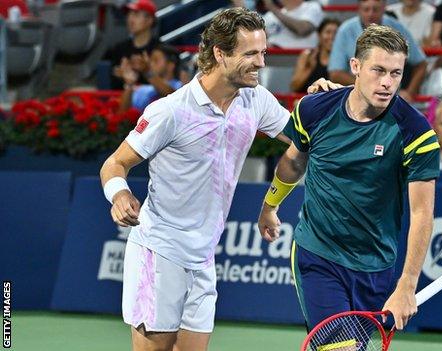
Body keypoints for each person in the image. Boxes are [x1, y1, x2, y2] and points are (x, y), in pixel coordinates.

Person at [99, 8, 339, 351]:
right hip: (160, 250)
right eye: (250, 54)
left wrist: (321, 103)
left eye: (263, 53)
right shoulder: (171, 111)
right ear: (220, 53)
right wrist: (120, 195)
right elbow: (115, 163)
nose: (260, 63)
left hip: (203, 257)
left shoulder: (255, 99)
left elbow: (303, 139)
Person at [258, 25, 440, 334]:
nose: (387, 83)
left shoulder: (416, 132)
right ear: (355, 66)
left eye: (396, 73)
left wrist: (407, 285)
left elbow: (422, 212)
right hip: (319, 254)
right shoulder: (314, 109)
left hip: (376, 265)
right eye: (378, 70)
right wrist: (270, 205)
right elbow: (293, 162)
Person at [328, 0, 428, 101]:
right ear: (359, 9)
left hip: (391, 98)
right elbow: (335, 73)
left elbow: (421, 64)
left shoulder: (397, 27)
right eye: (366, 9)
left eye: (375, 9)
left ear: (383, 8)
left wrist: (409, 93)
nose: (370, 14)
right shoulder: (345, 30)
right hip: (355, 96)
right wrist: (369, 87)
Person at [104, 0, 160, 90]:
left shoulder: (160, 49)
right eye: (129, 15)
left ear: (149, 20)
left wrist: (146, 70)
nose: (130, 19)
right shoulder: (118, 49)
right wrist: (120, 75)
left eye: (136, 14)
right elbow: (112, 85)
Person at [117, 44, 183, 112]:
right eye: (150, 60)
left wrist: (147, 71)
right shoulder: (142, 90)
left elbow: (170, 95)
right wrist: (129, 84)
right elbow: (123, 115)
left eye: (155, 60)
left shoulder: (181, 88)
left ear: (170, 65)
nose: (151, 64)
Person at [290, 18, 340, 93]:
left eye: (336, 33)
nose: (332, 37)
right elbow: (294, 86)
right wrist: (309, 67)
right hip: (306, 100)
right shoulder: (307, 55)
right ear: (319, 35)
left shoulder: (344, 60)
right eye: (328, 32)